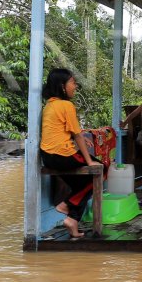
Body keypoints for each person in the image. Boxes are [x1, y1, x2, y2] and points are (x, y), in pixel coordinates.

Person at [40, 68, 100, 239]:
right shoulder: (66, 105)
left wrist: (77, 140)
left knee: (80, 185)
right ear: (62, 86)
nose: (75, 86)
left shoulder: (50, 105)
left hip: (48, 156)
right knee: (102, 169)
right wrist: (89, 162)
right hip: (62, 155)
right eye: (73, 82)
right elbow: (77, 135)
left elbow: (60, 132)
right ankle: (67, 207)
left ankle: (73, 221)